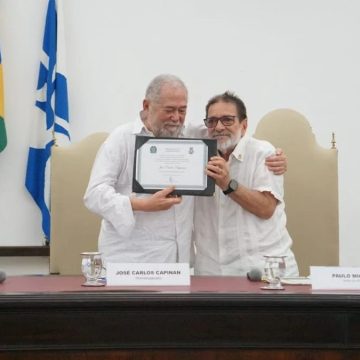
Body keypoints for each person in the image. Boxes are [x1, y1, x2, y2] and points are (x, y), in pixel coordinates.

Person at [84, 74, 287, 266]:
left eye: (182, 110)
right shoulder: (122, 138)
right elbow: (94, 194)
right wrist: (143, 204)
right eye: (169, 110)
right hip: (129, 258)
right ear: (147, 106)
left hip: (177, 262)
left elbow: (226, 133)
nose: (176, 117)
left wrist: (273, 155)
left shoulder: (193, 136)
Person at [191, 91, 298, 276]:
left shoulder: (264, 153)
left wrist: (227, 184)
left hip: (264, 271)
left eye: (227, 120)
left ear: (244, 124)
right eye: (212, 121)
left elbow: (266, 208)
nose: (218, 127)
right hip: (212, 273)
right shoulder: (195, 151)